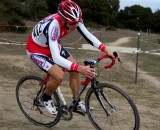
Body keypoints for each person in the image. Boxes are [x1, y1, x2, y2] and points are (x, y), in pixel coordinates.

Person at [26, 0, 115, 115]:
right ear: (63, 20)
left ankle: (76, 101)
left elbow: (88, 35)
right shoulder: (53, 25)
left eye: (78, 22)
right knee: (59, 75)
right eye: (73, 24)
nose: (76, 25)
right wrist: (80, 68)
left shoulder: (74, 19)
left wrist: (106, 49)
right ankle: (46, 98)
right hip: (36, 50)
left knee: (74, 69)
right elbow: (56, 57)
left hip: (51, 46)